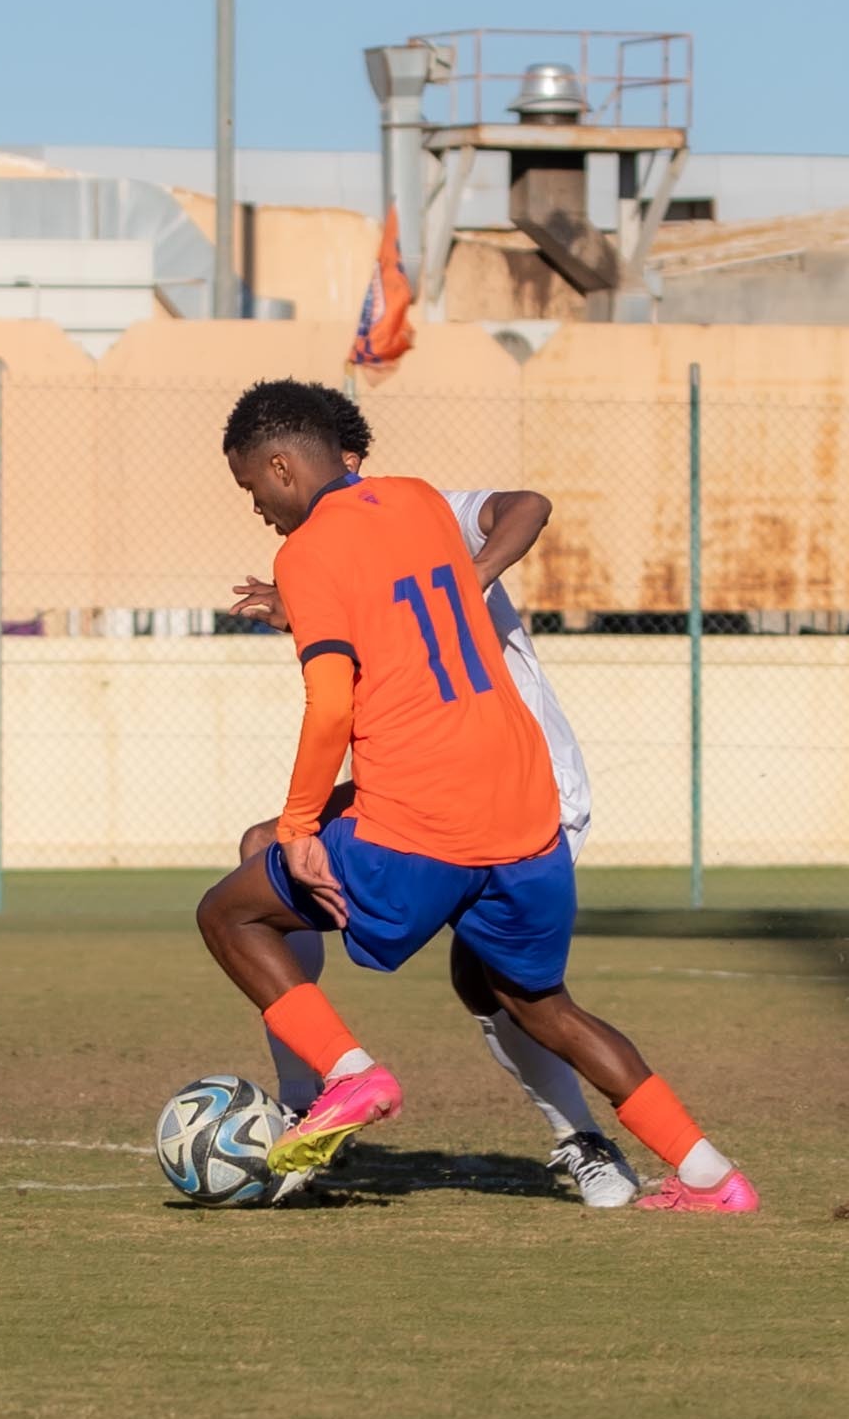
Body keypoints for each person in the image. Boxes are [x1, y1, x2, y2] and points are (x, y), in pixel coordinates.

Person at [195, 380, 756, 1213]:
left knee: (229, 911)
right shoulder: (421, 503)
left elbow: (333, 701)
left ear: (279, 467)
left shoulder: (307, 549)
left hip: (422, 813)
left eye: (251, 490)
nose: (257, 510)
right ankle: (711, 1175)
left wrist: (301, 823)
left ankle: (345, 1079)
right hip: (527, 809)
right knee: (539, 1002)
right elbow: (412, 599)